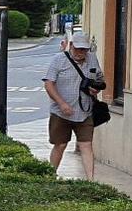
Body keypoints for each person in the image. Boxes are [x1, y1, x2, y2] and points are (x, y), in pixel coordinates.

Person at [45, 29, 107, 181]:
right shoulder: (58, 59)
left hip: (84, 111)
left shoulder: (92, 59)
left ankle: (91, 181)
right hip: (61, 113)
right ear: (71, 45)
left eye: (84, 49)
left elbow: (99, 79)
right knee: (60, 145)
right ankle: (49, 177)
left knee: (86, 145)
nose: (81, 52)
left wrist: (95, 88)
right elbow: (49, 84)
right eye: (78, 48)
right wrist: (62, 103)